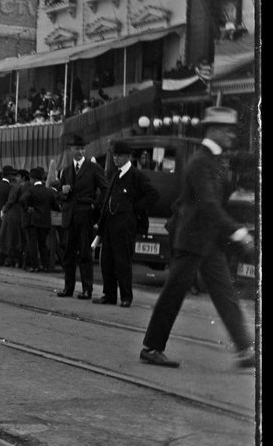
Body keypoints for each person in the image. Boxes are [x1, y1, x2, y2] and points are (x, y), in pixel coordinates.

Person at [140, 107, 256, 368]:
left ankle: (245, 349)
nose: (231, 135)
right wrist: (238, 232)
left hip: (208, 240)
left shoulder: (213, 160)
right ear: (213, 130)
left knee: (225, 293)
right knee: (174, 293)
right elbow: (208, 204)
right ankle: (151, 347)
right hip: (192, 239)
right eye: (226, 130)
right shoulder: (200, 162)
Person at [94, 140, 159, 307]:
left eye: (119, 156)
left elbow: (152, 195)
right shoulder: (116, 174)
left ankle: (125, 297)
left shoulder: (136, 175)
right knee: (107, 261)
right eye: (114, 155)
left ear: (128, 157)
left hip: (124, 226)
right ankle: (109, 295)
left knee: (122, 262)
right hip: (110, 224)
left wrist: (134, 210)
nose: (116, 158)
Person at [52, 134, 108, 299]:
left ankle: (87, 289)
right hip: (69, 216)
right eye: (77, 149)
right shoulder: (66, 171)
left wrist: (94, 205)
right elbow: (58, 196)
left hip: (84, 214)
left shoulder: (93, 168)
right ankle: (68, 288)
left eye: (82, 149)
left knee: (84, 254)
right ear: (71, 150)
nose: (80, 152)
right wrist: (63, 193)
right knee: (68, 255)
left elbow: (105, 189)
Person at [19, 167, 58, 273]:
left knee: (32, 244)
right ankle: (45, 266)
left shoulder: (31, 190)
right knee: (43, 244)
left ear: (33, 179)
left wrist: (27, 208)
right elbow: (55, 206)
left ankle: (35, 265)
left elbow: (22, 200)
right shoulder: (49, 191)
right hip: (45, 221)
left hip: (34, 220)